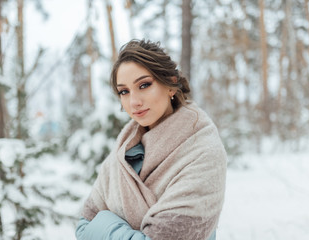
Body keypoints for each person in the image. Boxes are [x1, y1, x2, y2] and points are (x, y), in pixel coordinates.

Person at [75, 39, 227, 240]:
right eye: (124, 91)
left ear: (171, 84)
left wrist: (104, 223)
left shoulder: (203, 151)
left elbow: (92, 228)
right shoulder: (122, 151)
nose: (134, 102)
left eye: (144, 85)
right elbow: (83, 226)